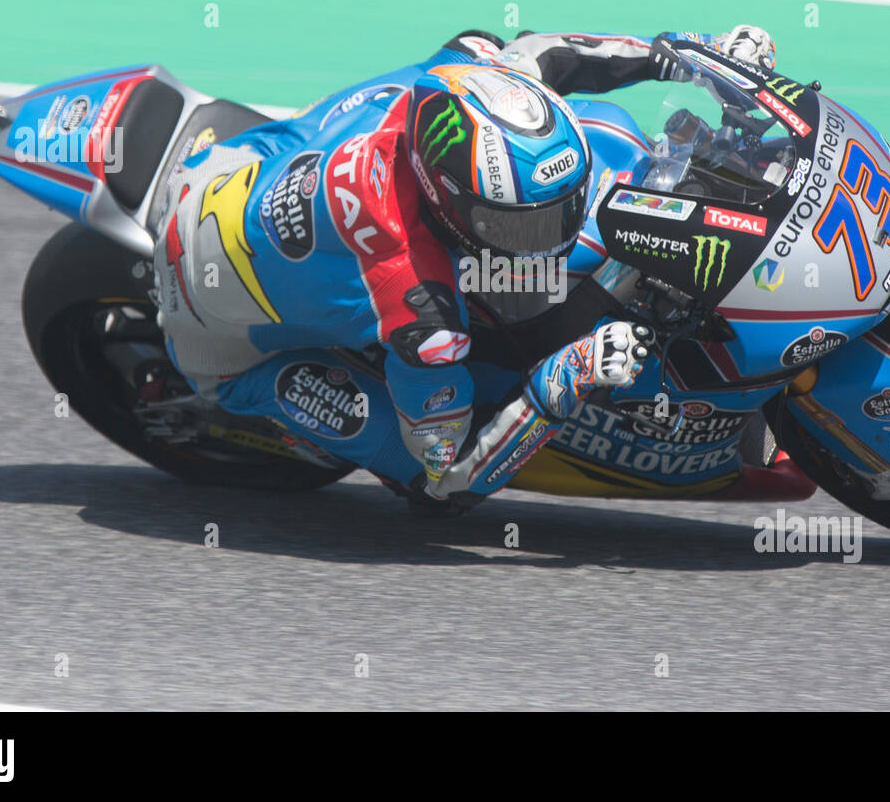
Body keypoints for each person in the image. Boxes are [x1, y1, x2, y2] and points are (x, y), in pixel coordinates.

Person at [150, 26, 776, 513]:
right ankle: (243, 385)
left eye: (563, 211)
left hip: (235, 162)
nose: (555, 234)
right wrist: (569, 373)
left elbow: (549, 53)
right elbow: (450, 471)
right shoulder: (423, 310)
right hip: (223, 342)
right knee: (427, 483)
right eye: (523, 225)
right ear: (444, 196)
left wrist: (689, 58)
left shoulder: (467, 75)